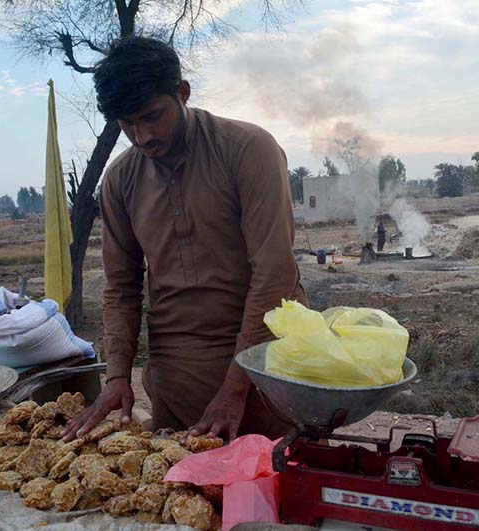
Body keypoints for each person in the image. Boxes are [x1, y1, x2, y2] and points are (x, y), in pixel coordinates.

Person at [62, 37, 306, 443]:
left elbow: (275, 276)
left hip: (267, 377)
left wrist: (235, 389)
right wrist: (118, 375)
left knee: (272, 493)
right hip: (175, 381)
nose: (141, 137)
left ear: (182, 93)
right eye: (127, 125)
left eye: (152, 117)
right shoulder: (120, 181)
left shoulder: (247, 151)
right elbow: (121, 289)